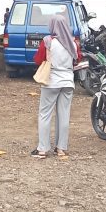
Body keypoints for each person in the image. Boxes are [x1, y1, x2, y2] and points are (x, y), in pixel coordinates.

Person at [30, 13, 82, 159]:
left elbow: (38, 59)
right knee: (64, 115)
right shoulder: (73, 43)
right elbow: (77, 59)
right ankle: (61, 149)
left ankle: (42, 149)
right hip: (68, 82)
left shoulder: (48, 41)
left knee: (45, 114)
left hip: (51, 81)